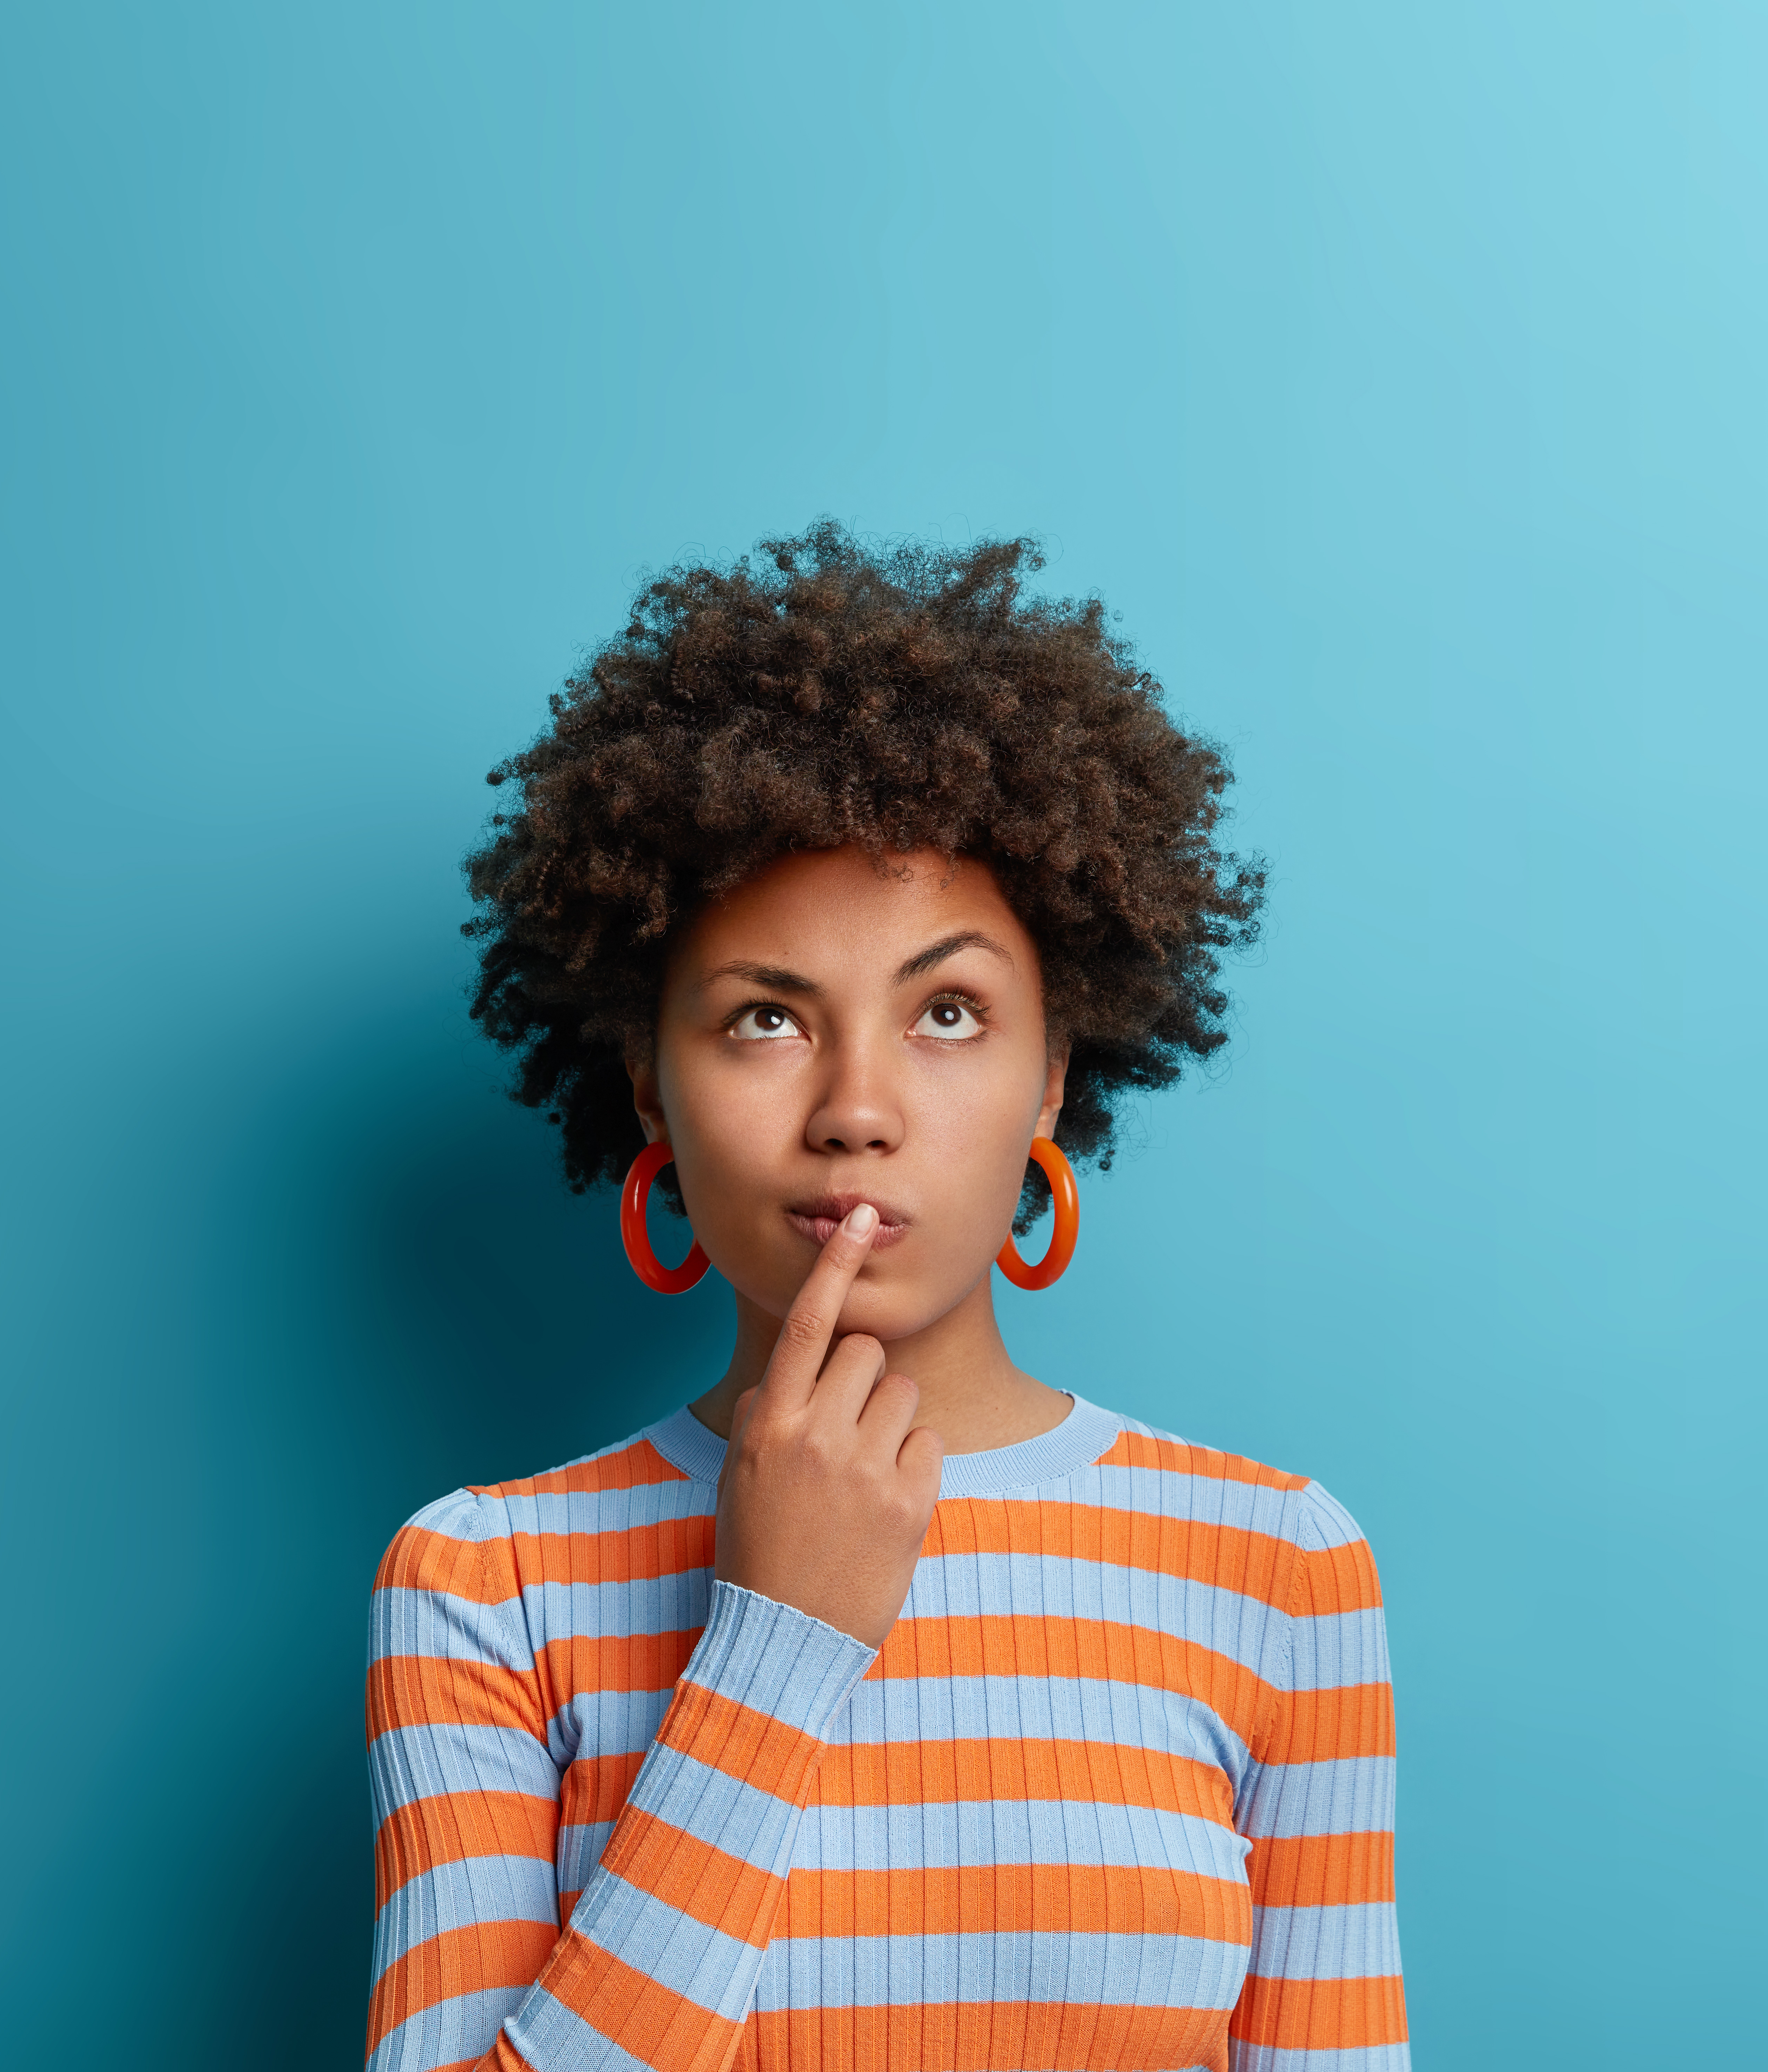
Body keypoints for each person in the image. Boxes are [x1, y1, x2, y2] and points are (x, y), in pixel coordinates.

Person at [365, 527, 1408, 2072]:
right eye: (768, 1018)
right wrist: (776, 1642)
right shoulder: (482, 1585)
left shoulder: (1278, 1569)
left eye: (947, 1012)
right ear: (650, 1086)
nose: (859, 1108)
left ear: (1053, 1071)